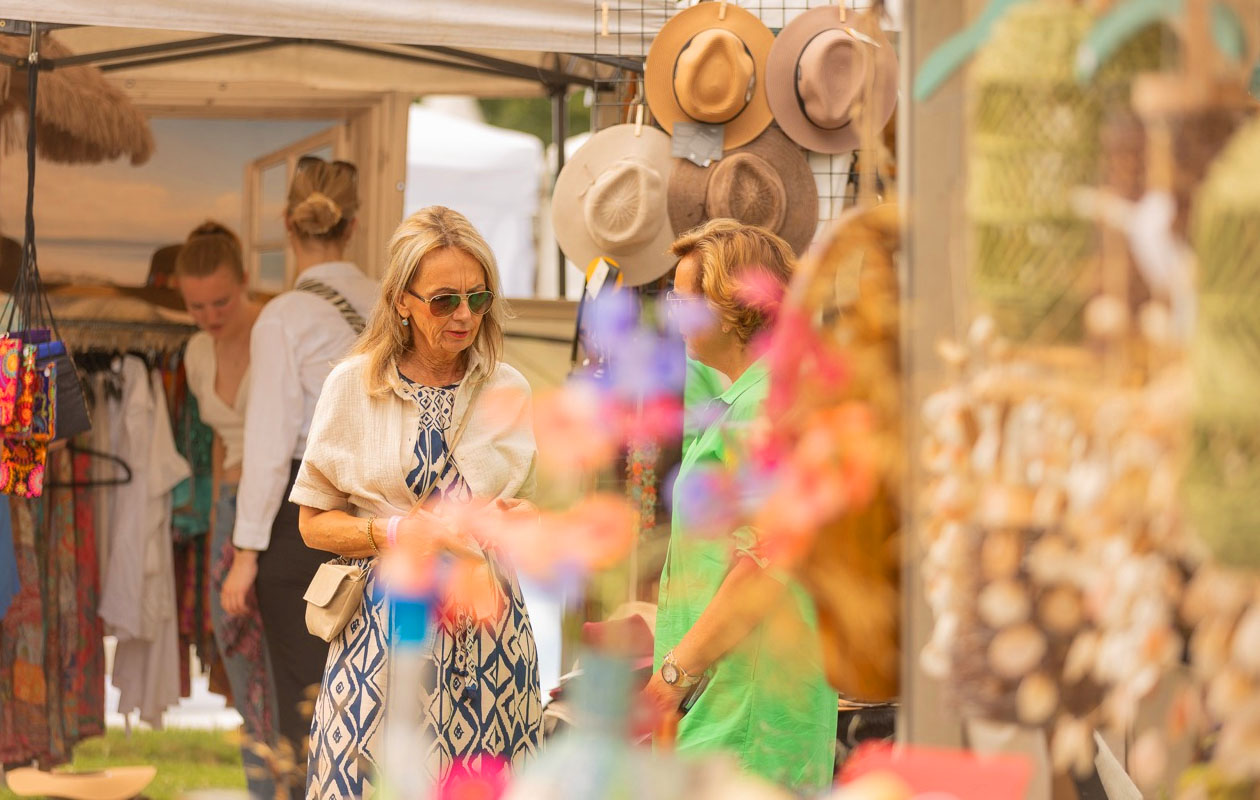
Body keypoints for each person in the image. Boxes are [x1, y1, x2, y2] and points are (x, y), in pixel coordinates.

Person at [290, 205, 542, 799]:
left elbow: (528, 510)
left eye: (478, 300)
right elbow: (312, 523)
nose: (464, 316)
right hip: (384, 629)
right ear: (401, 299)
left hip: (490, 638)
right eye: (444, 300)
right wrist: (398, 534)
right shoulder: (354, 385)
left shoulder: (508, 388)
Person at [644, 219, 838, 790]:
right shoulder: (747, 399)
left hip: (745, 705)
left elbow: (763, 569)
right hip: (725, 693)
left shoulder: (767, 409)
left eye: (684, 298)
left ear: (734, 307)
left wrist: (675, 675)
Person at [222, 157, 377, 798]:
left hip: (303, 522)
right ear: (355, 223)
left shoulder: (283, 315)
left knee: (306, 699)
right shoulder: (394, 301)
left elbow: (267, 444)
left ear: (287, 223)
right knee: (378, 698)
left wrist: (245, 552)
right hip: (387, 513)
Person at [175, 221, 278, 799]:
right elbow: (216, 444)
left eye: (221, 301)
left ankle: (293, 777)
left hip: (278, 507)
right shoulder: (194, 351)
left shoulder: (274, 331)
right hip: (230, 507)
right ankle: (261, 780)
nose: (211, 316)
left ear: (244, 281)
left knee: (278, 649)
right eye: (196, 306)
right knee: (236, 647)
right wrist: (219, 521)